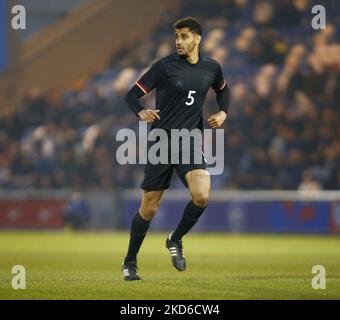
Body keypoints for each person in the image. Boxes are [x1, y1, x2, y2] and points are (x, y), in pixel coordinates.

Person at [122, 17, 230, 281]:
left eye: (184, 36)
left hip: (190, 141)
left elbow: (224, 91)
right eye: (177, 37)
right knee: (149, 207)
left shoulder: (211, 67)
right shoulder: (165, 66)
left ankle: (175, 238)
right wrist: (141, 112)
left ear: (197, 38)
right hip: (161, 142)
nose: (179, 41)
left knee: (202, 195)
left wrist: (223, 112)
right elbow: (131, 95)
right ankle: (130, 262)